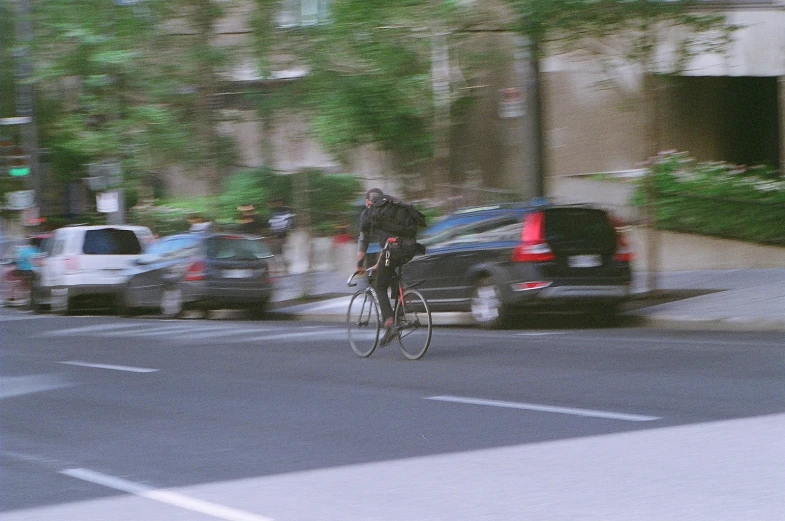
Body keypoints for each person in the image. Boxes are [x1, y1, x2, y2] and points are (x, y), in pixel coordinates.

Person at [355, 188, 421, 345]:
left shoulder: (370, 213)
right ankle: (399, 312)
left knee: (380, 287)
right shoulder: (395, 205)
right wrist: (379, 263)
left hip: (393, 249)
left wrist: (359, 265)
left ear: (367, 202)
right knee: (391, 273)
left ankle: (390, 324)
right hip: (411, 248)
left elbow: (363, 240)